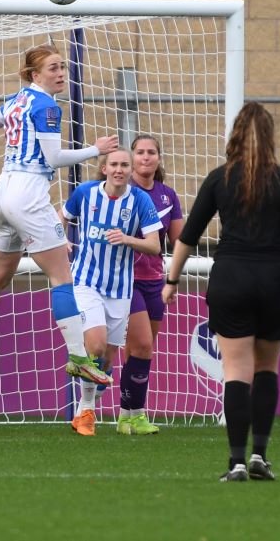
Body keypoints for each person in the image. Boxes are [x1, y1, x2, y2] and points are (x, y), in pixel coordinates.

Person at [162, 102, 280, 482]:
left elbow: (187, 237)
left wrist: (171, 281)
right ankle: (259, 456)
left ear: (234, 135)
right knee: (267, 368)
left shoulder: (219, 179)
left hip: (232, 279)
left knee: (236, 371)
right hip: (275, 280)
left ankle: (237, 462)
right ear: (271, 137)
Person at [0, 43, 119, 385]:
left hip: (1, 194)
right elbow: (54, 159)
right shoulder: (46, 106)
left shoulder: (16, 100)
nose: (60, 74)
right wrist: (95, 150)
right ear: (34, 74)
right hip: (28, 193)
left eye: (62, 68)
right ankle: (78, 358)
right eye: (53, 68)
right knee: (61, 277)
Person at [60, 148, 161, 436]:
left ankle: (82, 409)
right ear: (104, 168)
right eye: (114, 164)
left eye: (124, 165)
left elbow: (154, 245)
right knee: (96, 345)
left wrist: (127, 238)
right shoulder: (86, 193)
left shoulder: (140, 200)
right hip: (86, 283)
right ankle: (89, 413)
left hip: (120, 289)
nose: (119, 169)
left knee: (104, 362)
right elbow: (61, 217)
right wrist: (60, 241)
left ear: (130, 170)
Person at [116, 134, 184, 436]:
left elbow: (179, 241)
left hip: (154, 280)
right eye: (140, 152)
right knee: (140, 344)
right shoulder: (121, 193)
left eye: (151, 152)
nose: (146, 157)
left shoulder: (168, 195)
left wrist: (174, 277)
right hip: (124, 280)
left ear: (159, 158)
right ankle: (124, 413)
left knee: (141, 349)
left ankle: (132, 414)